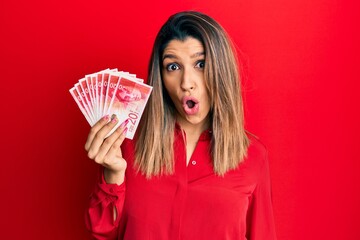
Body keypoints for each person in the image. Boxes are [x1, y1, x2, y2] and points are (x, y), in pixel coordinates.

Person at [84, 11, 277, 240]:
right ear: (161, 77)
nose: (187, 83)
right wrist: (113, 173)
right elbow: (104, 232)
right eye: (173, 67)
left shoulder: (253, 156)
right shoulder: (126, 145)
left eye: (200, 63)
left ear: (221, 69)